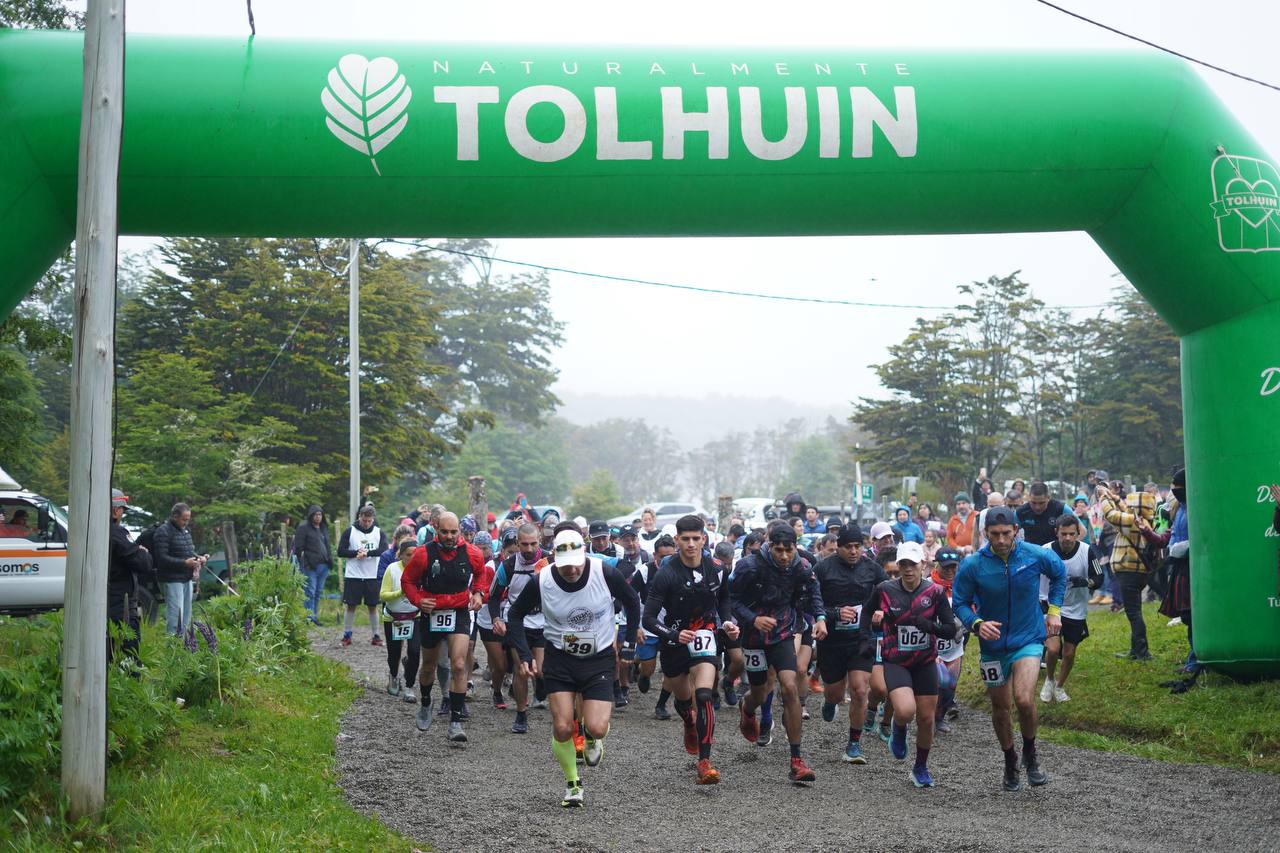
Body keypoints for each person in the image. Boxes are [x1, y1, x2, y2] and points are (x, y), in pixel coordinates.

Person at [507, 523, 640, 808]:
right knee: (564, 726)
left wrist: (629, 643)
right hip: (560, 658)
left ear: (584, 554)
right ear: (555, 557)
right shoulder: (542, 580)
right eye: (565, 565)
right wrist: (524, 654)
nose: (572, 570)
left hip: (599, 657)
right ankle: (573, 784)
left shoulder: (603, 572)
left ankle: (593, 738)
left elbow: (632, 601)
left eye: (576, 564)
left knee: (598, 726)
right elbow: (515, 615)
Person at [952, 506, 1066, 791]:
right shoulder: (973, 565)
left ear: (1016, 530)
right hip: (992, 647)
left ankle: (1031, 753)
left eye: (1006, 533)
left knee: (1024, 700)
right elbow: (960, 603)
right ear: (985, 534)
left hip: (1027, 639)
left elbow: (1060, 574)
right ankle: (1010, 759)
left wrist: (1053, 610)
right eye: (994, 534)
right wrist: (977, 624)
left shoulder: (1034, 554)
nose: (1001, 540)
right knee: (1000, 707)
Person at [642, 515, 739, 784]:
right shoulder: (666, 573)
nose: (691, 544)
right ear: (677, 541)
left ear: (704, 539)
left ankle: (705, 762)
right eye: (685, 539)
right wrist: (673, 634)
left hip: (705, 634)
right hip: (674, 640)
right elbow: (648, 618)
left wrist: (728, 621)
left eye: (696, 538)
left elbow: (724, 599)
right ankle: (688, 721)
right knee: (684, 701)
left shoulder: (718, 568)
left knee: (705, 695)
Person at [729, 525, 826, 783]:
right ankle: (746, 706)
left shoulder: (802, 566)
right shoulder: (749, 566)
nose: (784, 556)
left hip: (783, 632)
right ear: (769, 545)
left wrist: (820, 618)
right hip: (753, 635)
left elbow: (814, 591)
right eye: (778, 550)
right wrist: (753, 618)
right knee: (760, 693)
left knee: (790, 687)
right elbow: (731, 600)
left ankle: (797, 760)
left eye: (789, 550)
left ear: (796, 547)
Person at [861, 540, 958, 787]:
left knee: (926, 719)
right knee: (905, 710)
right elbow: (866, 613)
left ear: (923, 565)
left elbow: (949, 630)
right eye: (903, 564)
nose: (907, 569)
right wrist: (867, 637)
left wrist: (930, 626)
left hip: (925, 662)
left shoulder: (935, 592)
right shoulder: (884, 589)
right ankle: (899, 726)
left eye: (912, 564)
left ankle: (920, 767)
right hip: (896, 660)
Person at [401, 511, 488, 742]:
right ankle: (427, 702)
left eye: (454, 532)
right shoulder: (422, 554)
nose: (450, 537)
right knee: (428, 665)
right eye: (445, 532)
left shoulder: (472, 553)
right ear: (435, 529)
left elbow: (481, 575)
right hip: (432, 611)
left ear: (460, 531)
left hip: (459, 610)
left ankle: (456, 721)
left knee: (459, 664)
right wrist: (419, 601)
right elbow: (407, 581)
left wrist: (479, 593)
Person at [813, 524, 885, 764]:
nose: (854, 551)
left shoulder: (872, 569)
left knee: (859, 689)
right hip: (831, 640)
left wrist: (881, 612)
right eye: (848, 547)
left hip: (861, 639)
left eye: (858, 546)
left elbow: (888, 595)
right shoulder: (823, 569)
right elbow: (810, 603)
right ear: (839, 548)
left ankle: (854, 744)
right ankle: (830, 701)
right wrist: (833, 613)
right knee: (834, 693)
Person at [490, 522, 547, 733]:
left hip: (543, 620)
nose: (530, 549)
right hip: (517, 621)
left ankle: (541, 685)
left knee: (539, 670)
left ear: (539, 541)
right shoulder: (508, 565)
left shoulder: (549, 561)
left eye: (533, 544)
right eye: (524, 545)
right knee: (521, 669)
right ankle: (521, 714)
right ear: (517, 543)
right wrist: (496, 618)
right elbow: (494, 595)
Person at [1041, 514, 1100, 703]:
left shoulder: (1087, 551)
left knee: (1069, 652)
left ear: (1077, 534)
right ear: (1056, 533)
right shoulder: (1045, 551)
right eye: (1063, 534)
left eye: (1072, 534)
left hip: (1076, 609)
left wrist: (1083, 581)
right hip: (1050, 606)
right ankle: (1049, 680)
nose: (1067, 538)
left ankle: (1059, 686)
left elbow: (1099, 578)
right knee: (1052, 649)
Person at [1098, 481, 1157, 661]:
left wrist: (1103, 497)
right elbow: (1126, 511)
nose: (1128, 505)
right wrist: (1115, 497)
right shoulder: (1142, 520)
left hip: (1129, 573)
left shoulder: (1133, 522)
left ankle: (1142, 652)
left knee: (1133, 613)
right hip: (1136, 573)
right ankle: (1136, 650)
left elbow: (1112, 515)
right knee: (1135, 611)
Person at [107, 488, 153, 666]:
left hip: (100, 606)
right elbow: (144, 563)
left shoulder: (89, 531)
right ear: (116, 510)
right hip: (120, 606)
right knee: (130, 657)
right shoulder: (116, 533)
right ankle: (131, 690)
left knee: (106, 655)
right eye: (122, 510)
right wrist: (143, 552)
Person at [336, 504, 388, 648]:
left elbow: (384, 549)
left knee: (373, 606)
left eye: (369, 521)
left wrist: (367, 553)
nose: (366, 523)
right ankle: (347, 634)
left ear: (373, 519)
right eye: (364, 520)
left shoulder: (378, 532)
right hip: (354, 575)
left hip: (372, 575)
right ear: (360, 517)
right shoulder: (350, 531)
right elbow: (340, 551)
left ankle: (376, 635)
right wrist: (356, 553)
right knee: (351, 605)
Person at [379, 540, 423, 703]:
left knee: (415, 651)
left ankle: (410, 686)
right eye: (408, 555)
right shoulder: (392, 569)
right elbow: (382, 595)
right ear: (401, 554)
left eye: (414, 555)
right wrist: (400, 592)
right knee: (394, 653)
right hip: (393, 618)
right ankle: (394, 675)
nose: (411, 558)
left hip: (415, 617)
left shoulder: (421, 570)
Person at [152, 502, 204, 636]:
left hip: (186, 578)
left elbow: (188, 552)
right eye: (184, 519)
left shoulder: (184, 531)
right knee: (176, 616)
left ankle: (185, 646)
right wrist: (184, 563)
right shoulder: (163, 531)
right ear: (175, 516)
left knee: (186, 615)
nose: (186, 522)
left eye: (188, 519)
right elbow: (161, 558)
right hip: (171, 579)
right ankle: (172, 647)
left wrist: (199, 558)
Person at [930, 548, 965, 732]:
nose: (950, 571)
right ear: (937, 565)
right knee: (937, 684)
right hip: (932, 648)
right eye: (946, 568)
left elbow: (973, 609)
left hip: (954, 647)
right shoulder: (927, 585)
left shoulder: (963, 586)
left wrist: (963, 626)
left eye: (954, 567)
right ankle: (926, 719)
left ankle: (939, 718)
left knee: (949, 687)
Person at [293, 505, 332, 625]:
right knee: (310, 591)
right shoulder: (303, 528)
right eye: (316, 514)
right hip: (310, 566)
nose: (318, 517)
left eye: (320, 514)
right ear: (311, 515)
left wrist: (330, 560)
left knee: (318, 592)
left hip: (324, 565)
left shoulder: (324, 528)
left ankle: (314, 617)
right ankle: (308, 618)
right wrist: (305, 563)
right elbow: (298, 548)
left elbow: (327, 546)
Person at [1016, 483, 1066, 547]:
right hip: (1031, 553)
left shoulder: (1060, 508)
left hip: (1054, 553)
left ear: (1048, 498)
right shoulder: (1021, 512)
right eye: (1033, 502)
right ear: (1029, 498)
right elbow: (1010, 532)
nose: (1037, 507)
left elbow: (1081, 530)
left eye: (1041, 503)